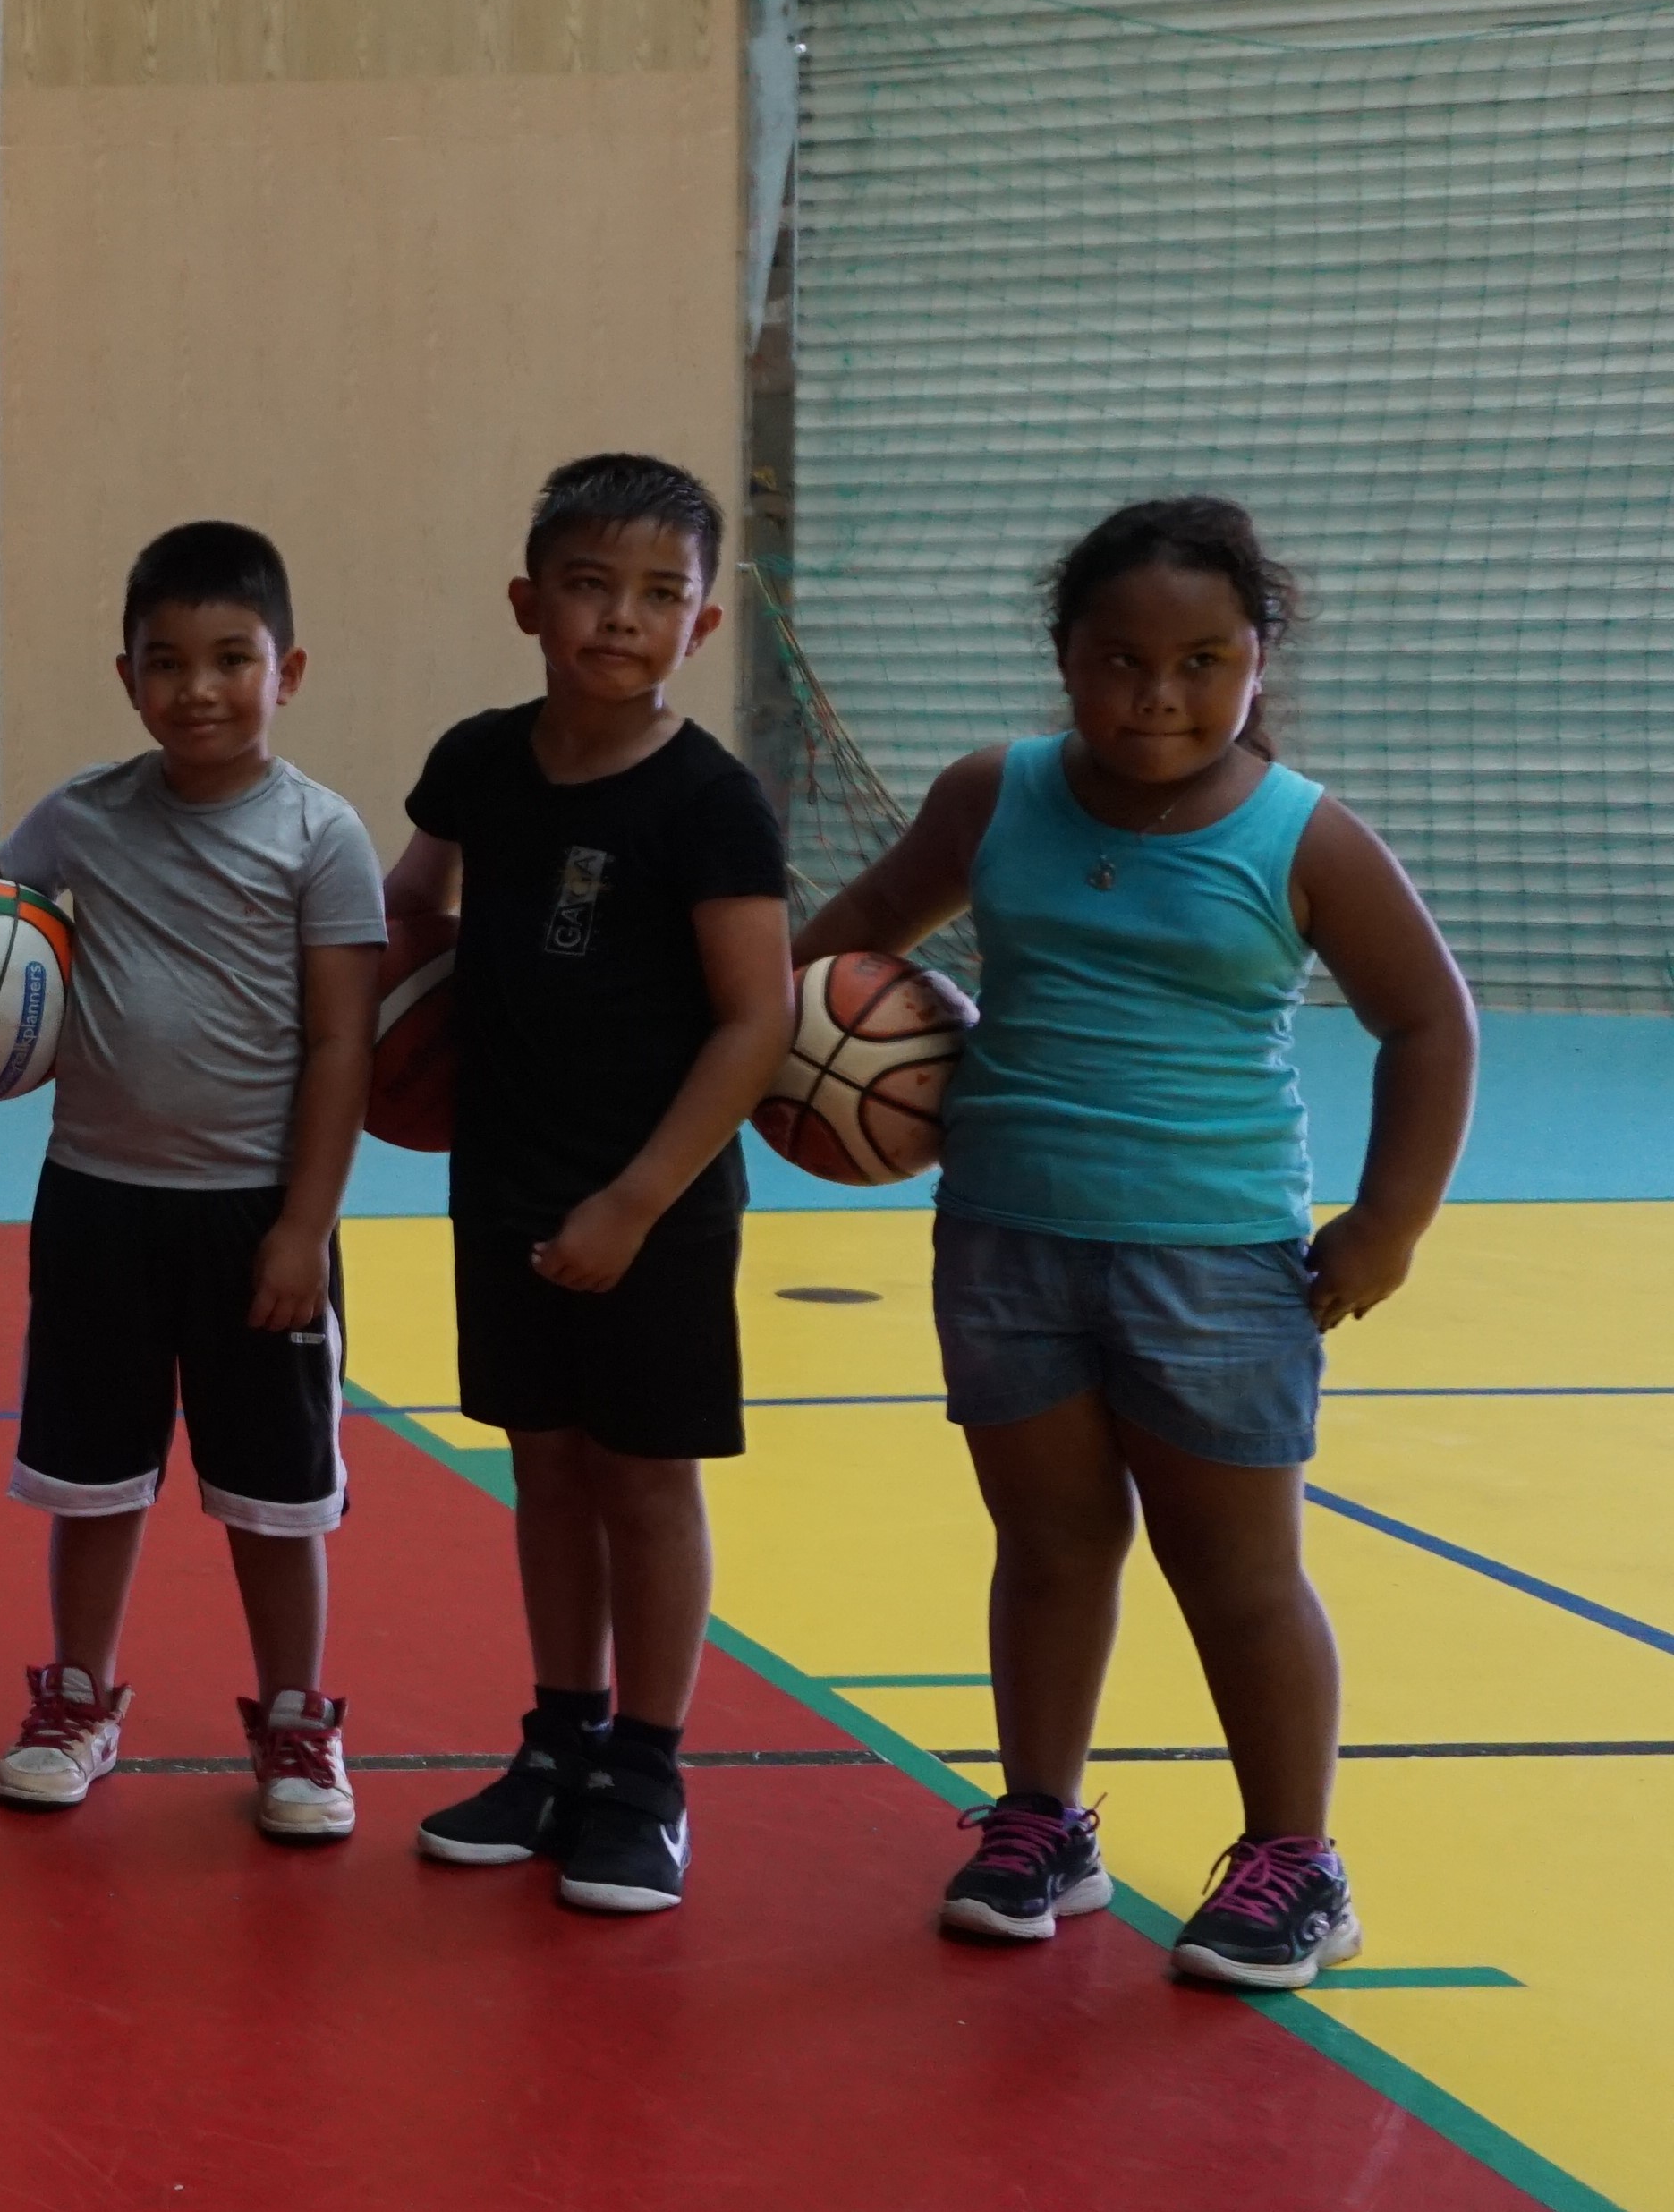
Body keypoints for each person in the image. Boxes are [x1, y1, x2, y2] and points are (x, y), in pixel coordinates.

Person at [794, 497, 1474, 1989]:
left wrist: (1388, 1223)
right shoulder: (996, 794)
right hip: (1005, 1237)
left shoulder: (1304, 836)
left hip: (1216, 1254)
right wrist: (771, 1041)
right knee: (1047, 1546)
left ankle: (1299, 1859)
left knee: (1235, 1571)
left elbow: (1430, 1020)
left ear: (1255, 656)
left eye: (1200, 659)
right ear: (1064, 657)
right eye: (1118, 659)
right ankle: (1043, 1822)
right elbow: (851, 933)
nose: (1156, 694)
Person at [0, 524, 384, 1840]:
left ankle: (299, 1719)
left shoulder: (324, 836)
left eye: (230, 659)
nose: (198, 689)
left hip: (258, 1217)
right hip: (97, 1201)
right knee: (92, 1480)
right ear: (127, 675)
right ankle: (78, 1697)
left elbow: (340, 1043)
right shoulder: (86, 812)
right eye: (166, 662)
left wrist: (305, 1224)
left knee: (274, 1495)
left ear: (289, 668)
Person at [379, 455, 794, 1917]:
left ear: (703, 624)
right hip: (504, 1172)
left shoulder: (710, 802)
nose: (622, 617)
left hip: (653, 1198)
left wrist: (635, 1201)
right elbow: (407, 900)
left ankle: (650, 1770)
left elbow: (757, 1017)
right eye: (590, 584)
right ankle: (557, 1744)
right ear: (527, 601)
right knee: (544, 1467)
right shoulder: (482, 760)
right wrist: (406, 1040)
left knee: (644, 1478)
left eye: (660, 593)